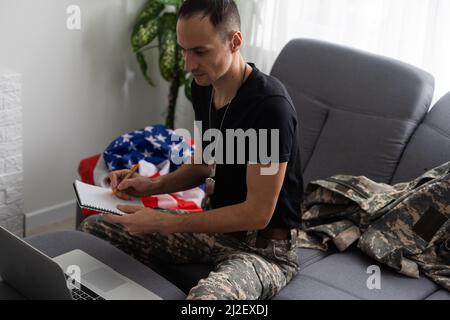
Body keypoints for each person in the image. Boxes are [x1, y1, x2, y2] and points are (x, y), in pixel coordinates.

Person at [80, 0, 304, 300]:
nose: (188, 64)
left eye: (200, 51)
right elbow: (202, 165)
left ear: (234, 41)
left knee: (204, 304)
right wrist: (150, 186)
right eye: (184, 49)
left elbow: (258, 213)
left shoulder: (270, 108)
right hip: (213, 232)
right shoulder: (205, 86)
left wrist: (164, 221)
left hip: (264, 251)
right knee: (96, 228)